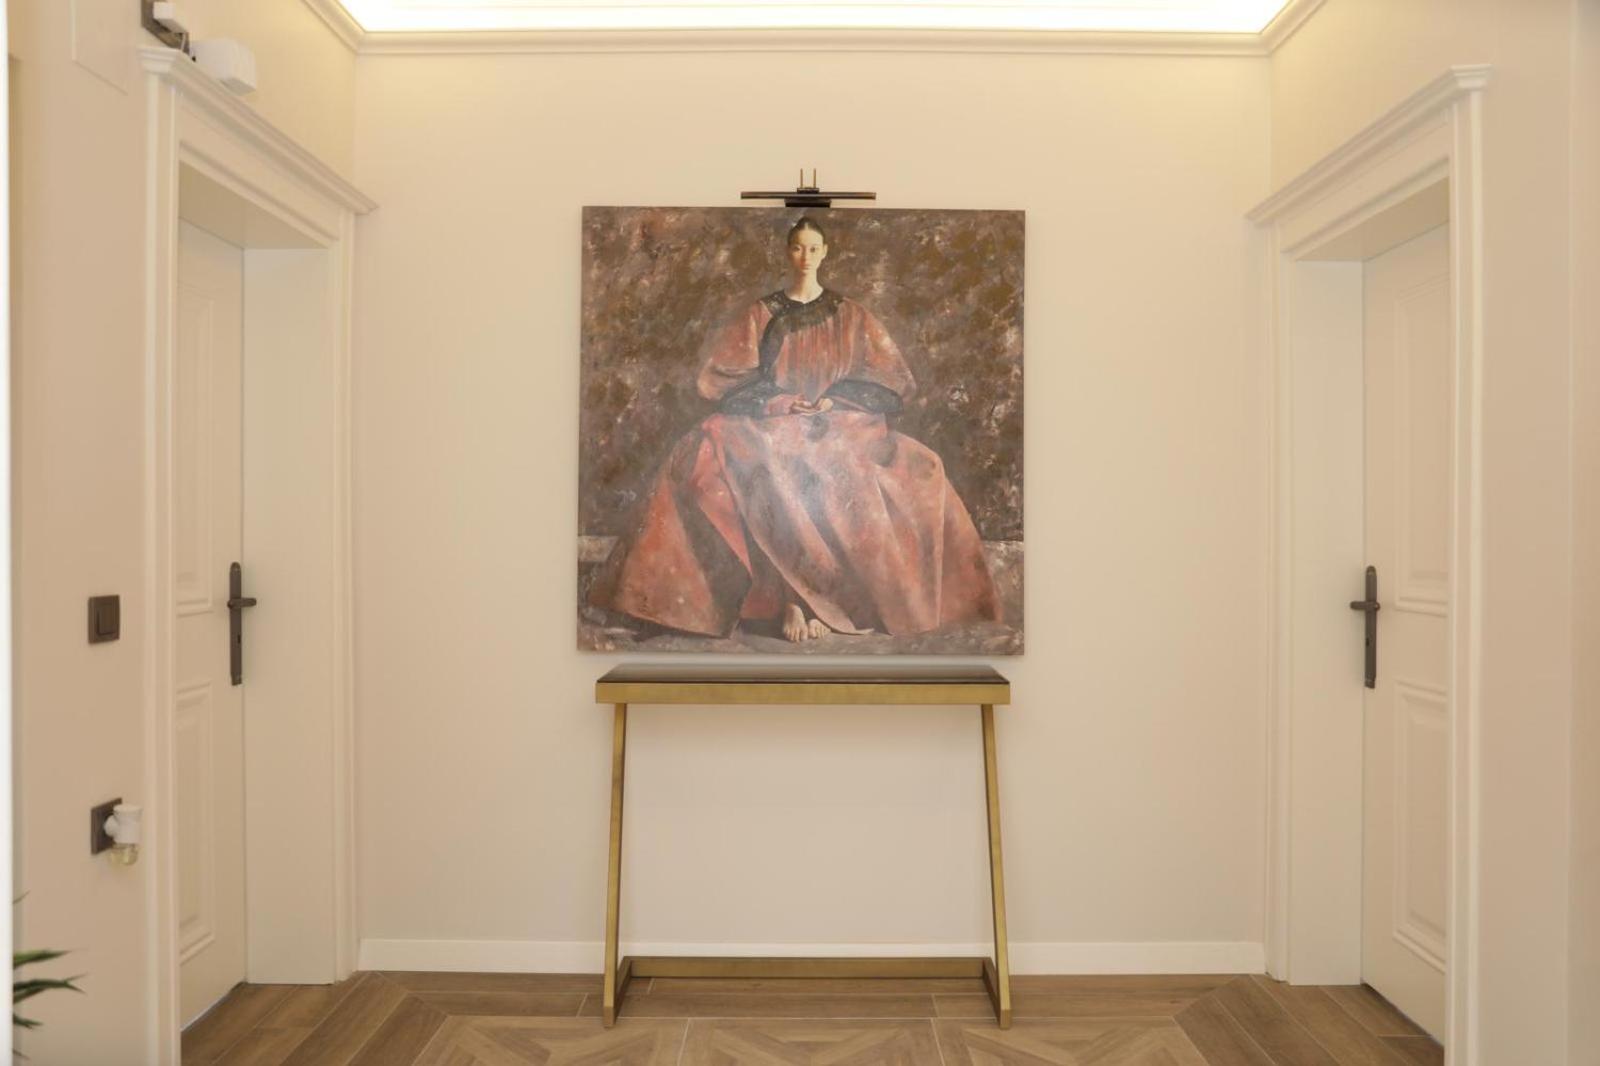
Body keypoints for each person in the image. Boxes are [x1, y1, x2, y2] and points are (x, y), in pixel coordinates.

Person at [590, 217, 1001, 643]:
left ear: (825, 253)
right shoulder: (761, 314)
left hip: (842, 422)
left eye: (813, 248)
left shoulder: (852, 315)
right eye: (798, 248)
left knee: (912, 468)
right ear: (788, 252)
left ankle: (820, 605)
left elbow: (890, 379)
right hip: (771, 422)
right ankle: (790, 603)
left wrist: (833, 400)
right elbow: (721, 380)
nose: (805, 257)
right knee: (739, 461)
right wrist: (781, 402)